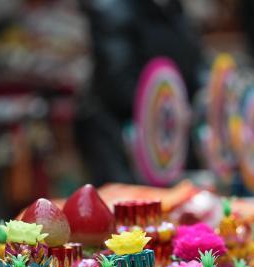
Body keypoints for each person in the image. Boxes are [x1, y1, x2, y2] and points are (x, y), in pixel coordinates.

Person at [75, 0, 202, 186]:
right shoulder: (112, 9)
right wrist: (173, 107)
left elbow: (195, 64)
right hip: (122, 141)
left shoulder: (173, 9)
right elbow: (118, 85)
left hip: (170, 141)